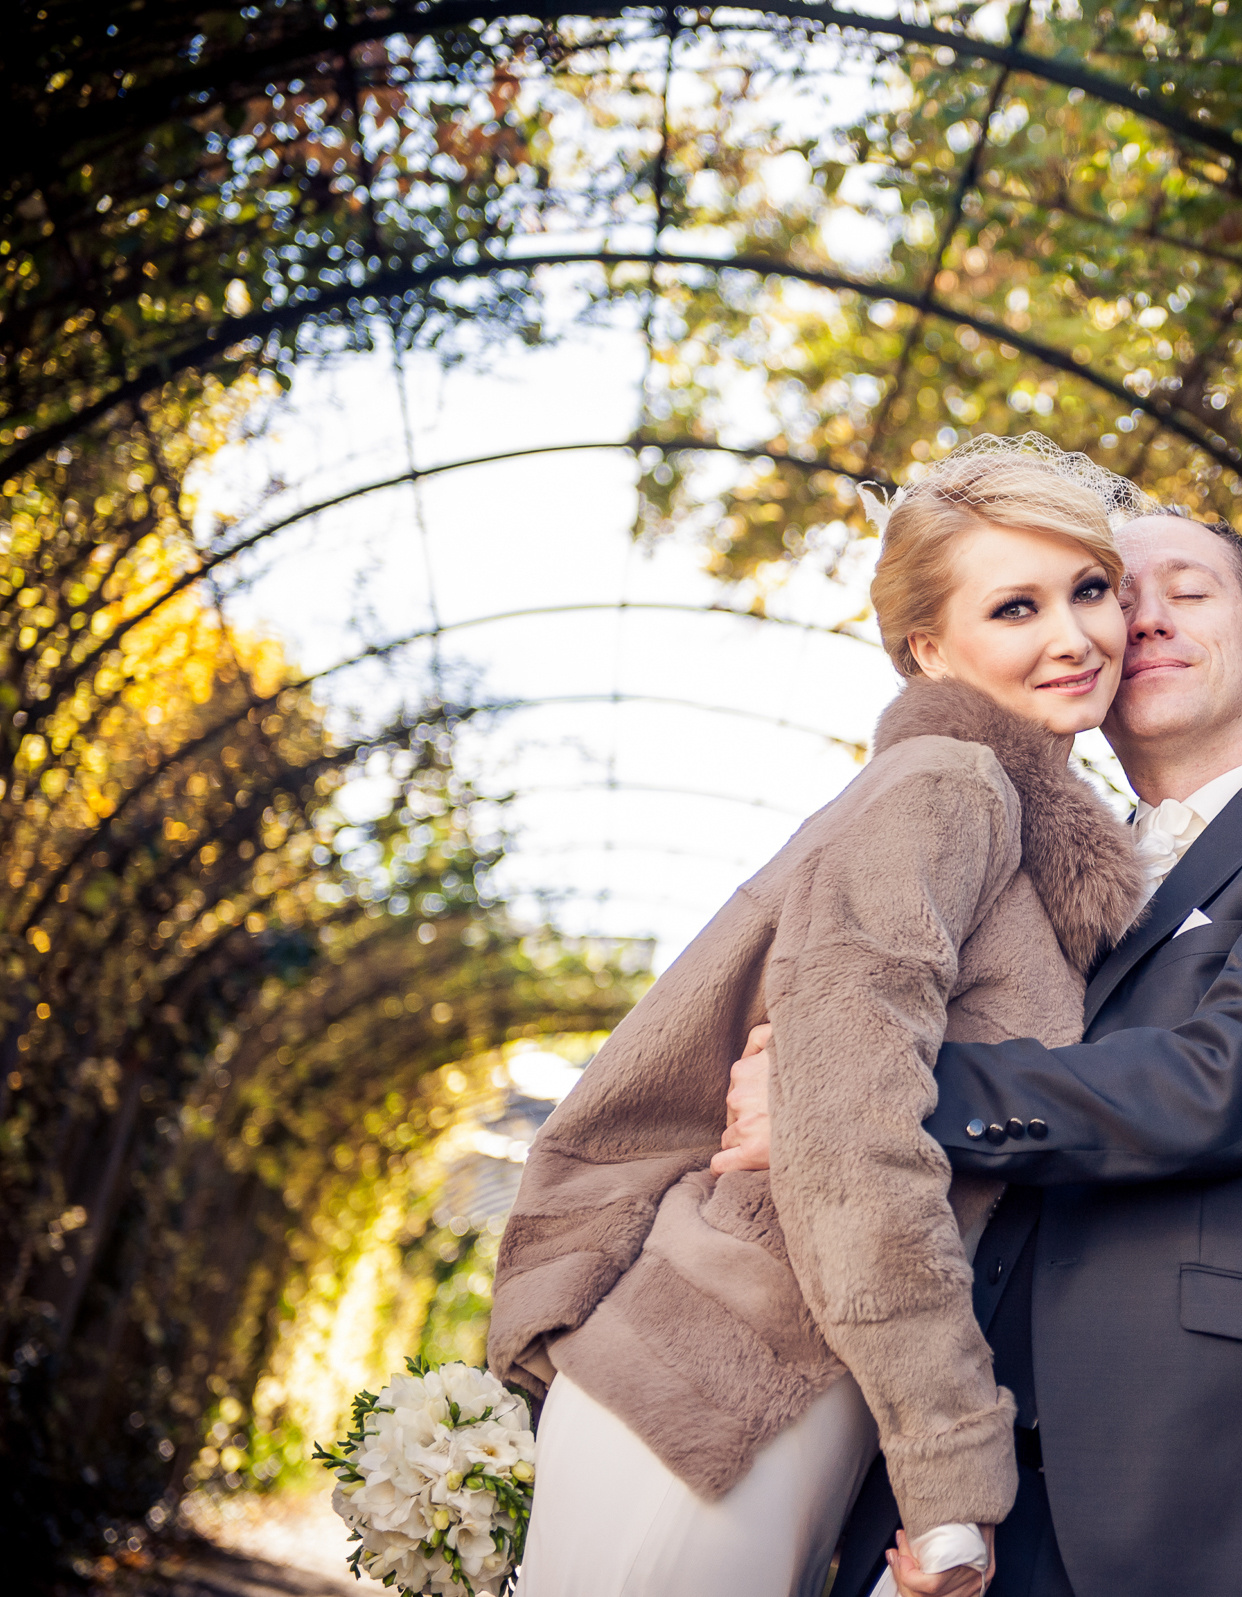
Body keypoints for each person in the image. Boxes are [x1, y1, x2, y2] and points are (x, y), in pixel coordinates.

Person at [720, 510, 1242, 1597]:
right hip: (968, 1508)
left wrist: (861, 1094)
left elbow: (1235, 1072)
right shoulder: (1020, 874)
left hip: (1229, 1482)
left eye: (1189, 590)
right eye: (1113, 597)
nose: (1145, 619)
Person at [486, 439, 1158, 1597]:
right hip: (717, 1395)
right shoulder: (948, 788)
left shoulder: (1010, 826)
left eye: (1090, 589)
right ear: (929, 648)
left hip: (782, 1396)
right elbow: (850, 1129)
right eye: (1016, 607)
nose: (1073, 636)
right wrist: (952, 1461)